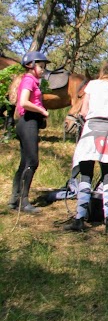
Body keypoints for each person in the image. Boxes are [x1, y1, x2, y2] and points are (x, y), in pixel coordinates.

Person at [64, 58, 108, 233]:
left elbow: (84, 111)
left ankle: (79, 219)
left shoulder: (92, 85)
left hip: (91, 131)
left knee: (86, 175)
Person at [9, 50, 52, 214]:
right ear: (31, 66)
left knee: (24, 161)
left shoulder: (31, 80)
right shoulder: (29, 80)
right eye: (40, 66)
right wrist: (42, 110)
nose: (43, 70)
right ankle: (24, 201)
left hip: (25, 122)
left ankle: (15, 198)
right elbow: (24, 102)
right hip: (28, 121)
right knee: (33, 161)